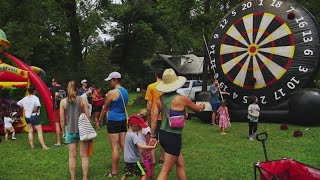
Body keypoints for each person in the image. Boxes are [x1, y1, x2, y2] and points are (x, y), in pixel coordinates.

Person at [150, 68, 205, 179]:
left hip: (163, 135)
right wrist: (203, 105)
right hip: (173, 136)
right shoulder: (181, 99)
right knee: (166, 170)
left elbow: (153, 119)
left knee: (180, 164)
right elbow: (198, 109)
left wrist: (152, 136)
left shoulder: (159, 100)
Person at [99, 71, 129, 177]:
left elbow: (105, 108)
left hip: (113, 121)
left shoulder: (112, 93)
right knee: (124, 145)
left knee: (115, 147)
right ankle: (129, 167)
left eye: (110, 81)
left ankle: (114, 172)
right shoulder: (125, 91)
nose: (110, 83)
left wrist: (99, 120)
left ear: (115, 80)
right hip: (122, 120)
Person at [60, 80, 90, 180]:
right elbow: (87, 116)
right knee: (84, 155)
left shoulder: (63, 102)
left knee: (72, 156)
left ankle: (73, 178)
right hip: (82, 131)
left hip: (70, 131)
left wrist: (63, 132)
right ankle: (85, 177)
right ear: (77, 89)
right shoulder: (82, 100)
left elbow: (62, 119)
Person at [121, 114, 157, 180]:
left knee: (126, 174)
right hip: (134, 160)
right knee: (144, 173)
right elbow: (140, 146)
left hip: (127, 159)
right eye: (140, 127)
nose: (141, 128)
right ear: (135, 125)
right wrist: (152, 147)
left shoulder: (128, 133)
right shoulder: (133, 135)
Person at [145, 68, 165, 165]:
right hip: (165, 116)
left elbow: (149, 103)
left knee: (152, 137)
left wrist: (148, 116)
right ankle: (162, 158)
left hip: (154, 117)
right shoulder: (167, 86)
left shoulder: (151, 87)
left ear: (156, 75)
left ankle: (152, 159)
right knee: (163, 139)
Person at [138, 108, 155, 180]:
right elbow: (148, 142)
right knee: (150, 166)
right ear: (148, 117)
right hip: (145, 150)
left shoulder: (138, 126)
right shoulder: (147, 128)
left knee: (141, 168)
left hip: (138, 149)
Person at [51, 78, 67, 146]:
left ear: (55, 82)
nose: (52, 83)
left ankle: (58, 142)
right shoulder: (65, 88)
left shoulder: (54, 88)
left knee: (57, 123)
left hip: (57, 107)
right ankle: (67, 140)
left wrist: (55, 102)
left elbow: (57, 94)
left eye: (52, 82)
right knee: (66, 123)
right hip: (65, 107)